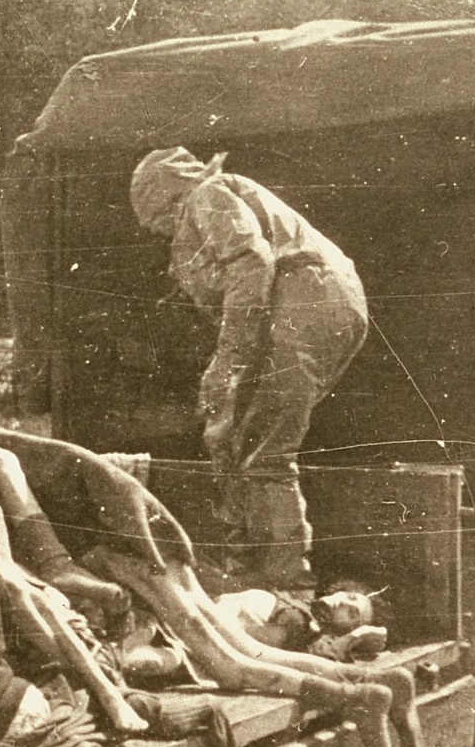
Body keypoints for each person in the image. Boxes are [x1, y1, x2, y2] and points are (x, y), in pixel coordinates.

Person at [129, 148, 367, 594]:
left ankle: (285, 580)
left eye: (159, 218)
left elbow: (251, 262)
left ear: (169, 197)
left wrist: (227, 361)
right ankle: (260, 563)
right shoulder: (209, 204)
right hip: (324, 305)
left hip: (304, 302)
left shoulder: (207, 195)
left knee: (265, 446)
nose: (158, 230)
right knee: (251, 432)